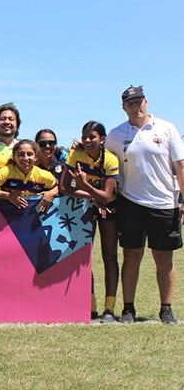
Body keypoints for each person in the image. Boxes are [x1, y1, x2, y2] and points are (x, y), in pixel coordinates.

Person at [106, 85, 184, 324]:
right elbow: (103, 163)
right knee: (131, 255)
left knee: (164, 258)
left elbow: (180, 165)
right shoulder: (116, 135)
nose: (135, 107)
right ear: (123, 107)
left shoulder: (166, 128)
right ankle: (128, 308)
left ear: (146, 102)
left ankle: (166, 309)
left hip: (164, 203)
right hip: (130, 203)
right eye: (130, 103)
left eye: (138, 102)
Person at [60, 121, 119, 322]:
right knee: (84, 256)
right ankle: (91, 306)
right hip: (87, 207)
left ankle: (109, 308)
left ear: (102, 139)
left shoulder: (110, 159)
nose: (87, 140)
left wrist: (84, 184)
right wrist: (93, 197)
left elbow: (107, 196)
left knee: (109, 256)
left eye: (92, 136)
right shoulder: (76, 155)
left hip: (110, 209)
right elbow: (65, 187)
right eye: (84, 136)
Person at [0, 139, 57, 212]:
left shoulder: (44, 175)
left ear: (36, 157)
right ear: (14, 157)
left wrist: (51, 193)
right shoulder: (6, 172)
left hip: (33, 217)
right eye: (21, 154)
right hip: (7, 215)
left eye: (29, 154)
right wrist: (8, 195)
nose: (25, 158)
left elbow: (59, 187)